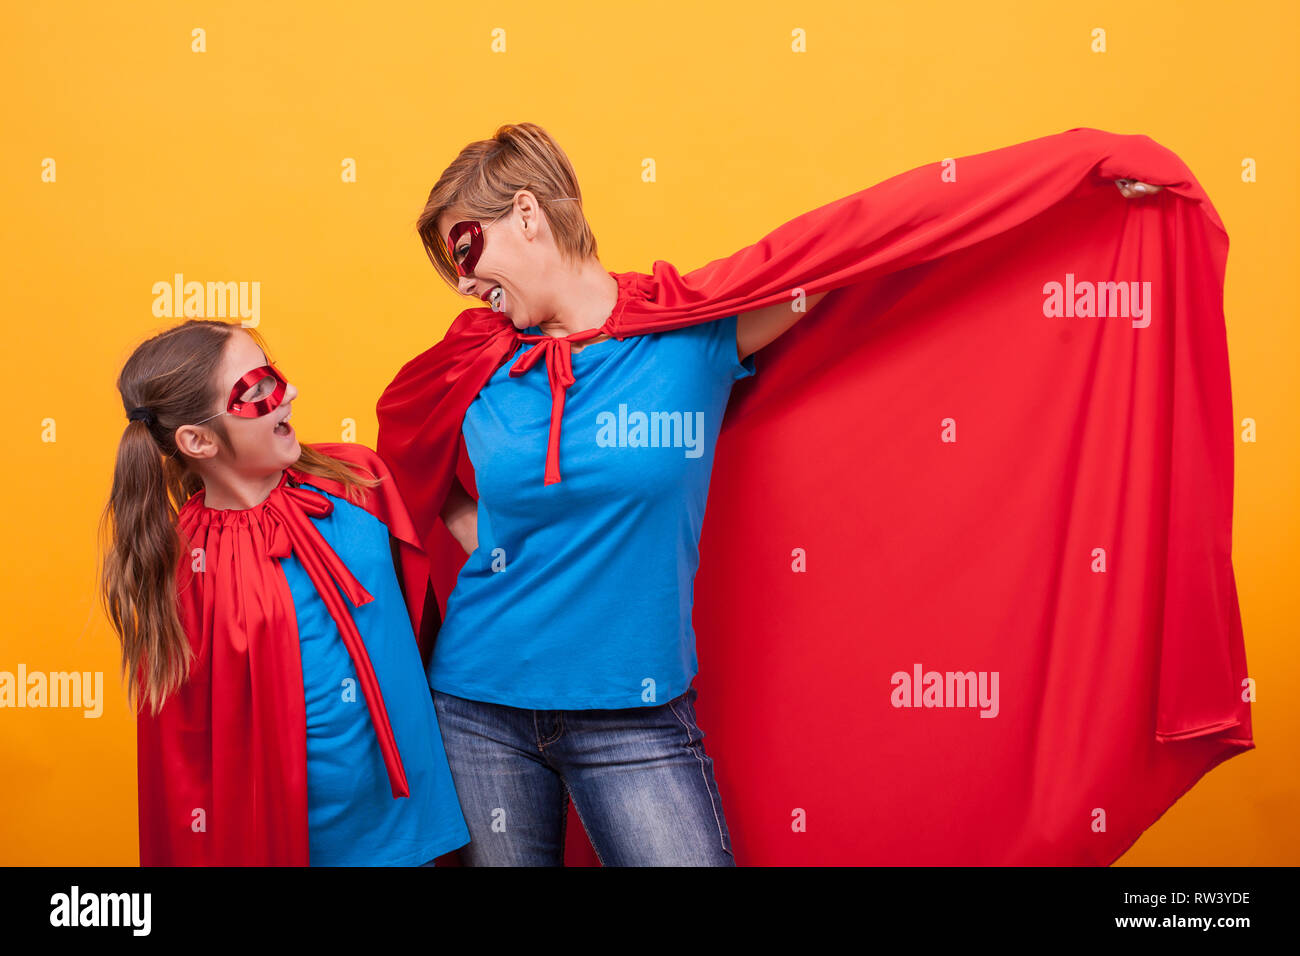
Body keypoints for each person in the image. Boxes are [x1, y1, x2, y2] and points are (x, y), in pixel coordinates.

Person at [378, 122, 1170, 866]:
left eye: (465, 247)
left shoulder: (685, 333)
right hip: (477, 707)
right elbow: (406, 462)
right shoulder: (473, 361)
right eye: (449, 269)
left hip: (633, 715)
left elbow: (869, 243)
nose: (462, 280)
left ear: (526, 213)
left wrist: (1080, 183)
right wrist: (480, 532)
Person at [99, 319, 469, 866]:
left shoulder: (354, 480)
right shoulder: (187, 567)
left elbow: (423, 600)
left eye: (276, 375)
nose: (287, 392)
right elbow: (195, 754)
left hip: (411, 815)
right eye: (256, 390)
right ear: (198, 440)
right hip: (300, 839)